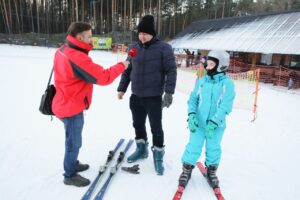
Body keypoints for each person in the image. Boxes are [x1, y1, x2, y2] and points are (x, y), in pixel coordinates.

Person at [52, 22, 130, 187]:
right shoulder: (76, 57)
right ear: (79, 37)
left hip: (64, 101)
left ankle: (72, 164)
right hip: (70, 107)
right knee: (73, 142)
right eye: (88, 36)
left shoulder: (63, 49)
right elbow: (103, 77)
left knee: (73, 140)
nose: (91, 40)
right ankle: (70, 174)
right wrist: (121, 66)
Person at [117, 15, 177, 176]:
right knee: (137, 124)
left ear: (153, 33)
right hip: (136, 96)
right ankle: (141, 149)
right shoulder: (134, 48)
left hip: (154, 97)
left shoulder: (164, 48)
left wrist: (169, 93)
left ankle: (158, 156)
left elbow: (171, 71)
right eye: (140, 33)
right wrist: (122, 88)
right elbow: (128, 69)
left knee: (156, 128)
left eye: (145, 33)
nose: (142, 36)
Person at [176, 50, 235, 189]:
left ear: (221, 66)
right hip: (199, 123)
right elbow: (193, 100)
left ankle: (211, 171)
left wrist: (214, 122)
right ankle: (186, 169)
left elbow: (225, 106)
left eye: (212, 63)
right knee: (193, 146)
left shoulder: (227, 84)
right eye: (207, 63)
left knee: (213, 148)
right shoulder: (202, 81)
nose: (208, 66)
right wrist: (191, 114)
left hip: (217, 125)